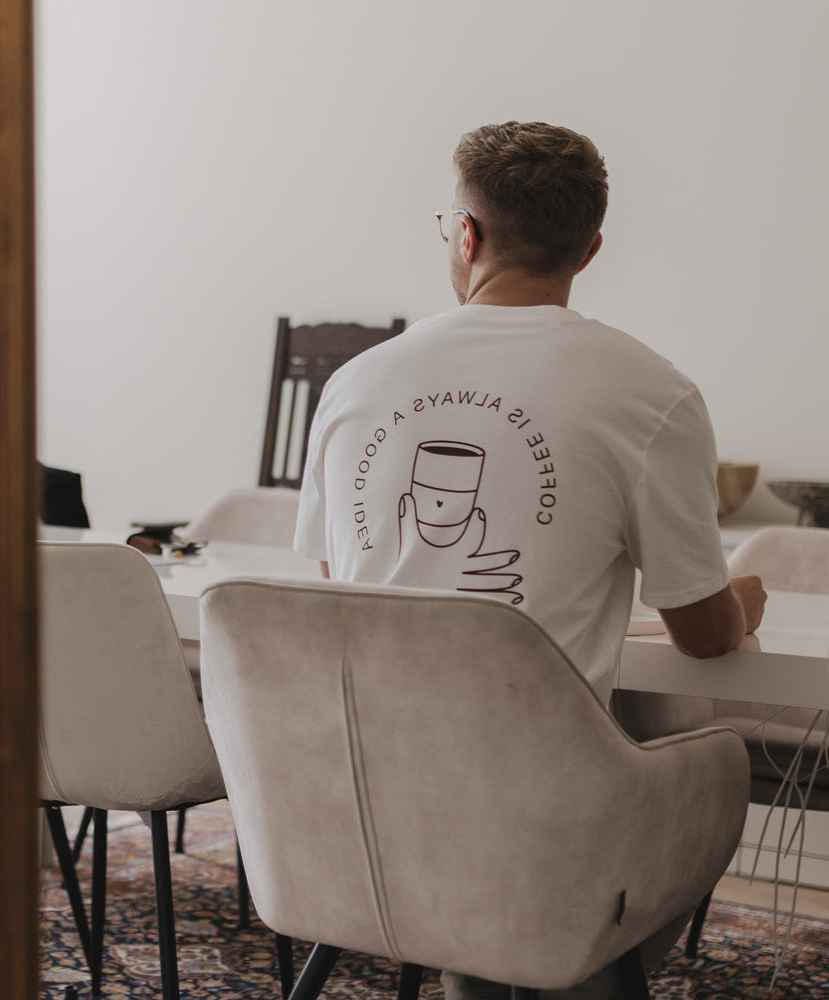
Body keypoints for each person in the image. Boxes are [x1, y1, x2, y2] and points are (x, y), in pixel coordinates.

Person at [293, 121, 767, 998]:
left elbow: (338, 595)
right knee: (715, 763)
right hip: (540, 824)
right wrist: (742, 597)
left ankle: (483, 961)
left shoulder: (354, 383)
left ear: (466, 236)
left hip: (354, 803)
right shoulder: (651, 393)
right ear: (588, 249)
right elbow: (703, 637)